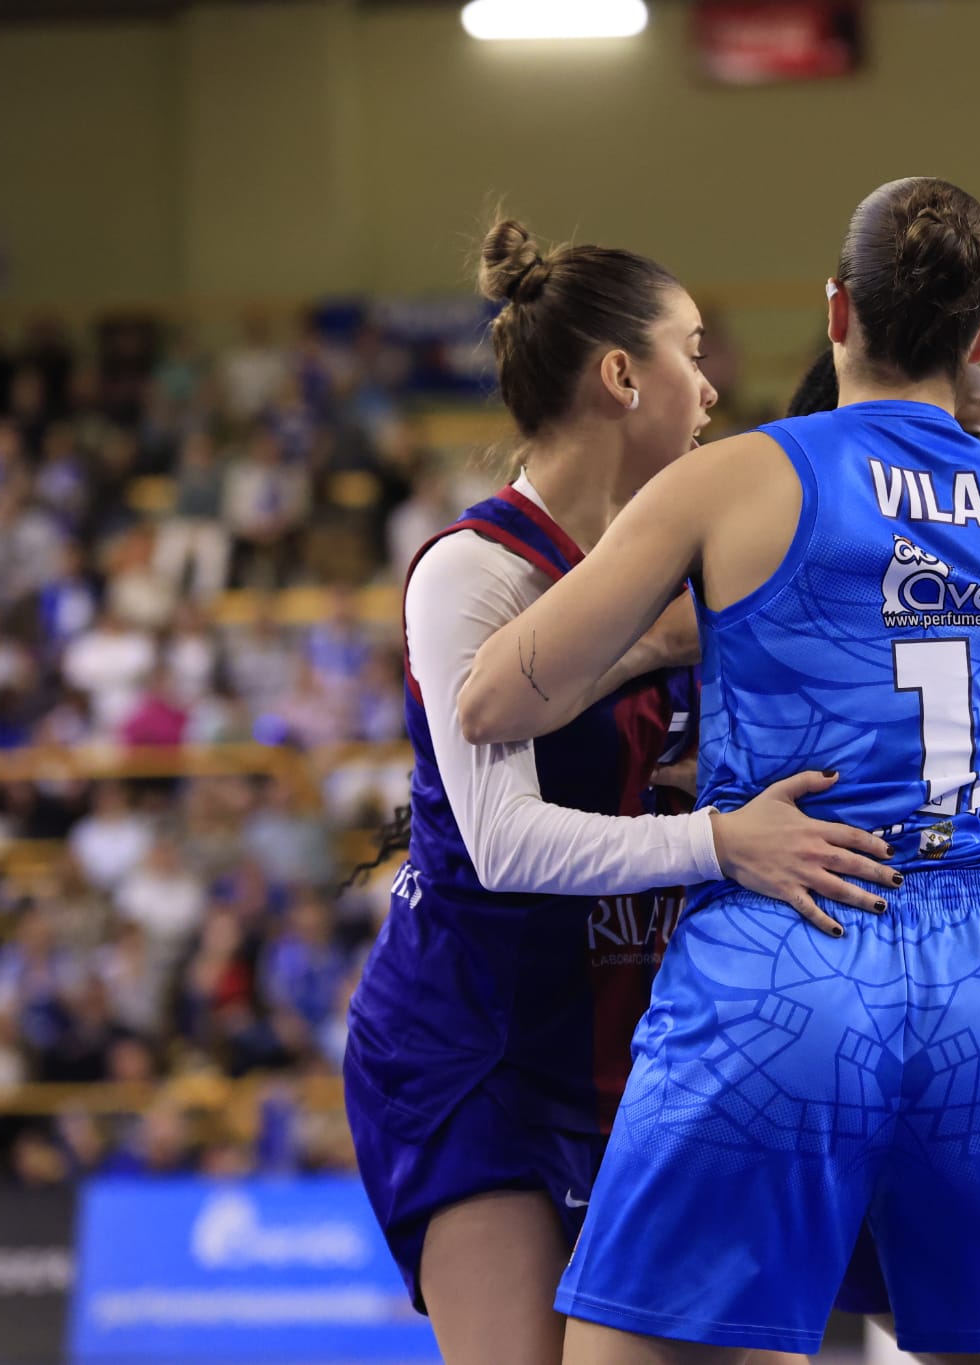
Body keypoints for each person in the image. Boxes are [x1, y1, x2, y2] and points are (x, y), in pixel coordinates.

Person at [460, 178, 980, 1364]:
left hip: (785, 962)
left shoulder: (734, 479)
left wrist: (675, 625)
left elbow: (493, 696)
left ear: (834, 310)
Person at [342, 219, 904, 1365]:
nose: (708, 387)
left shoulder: (700, 553)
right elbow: (499, 844)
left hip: (648, 1034)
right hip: (478, 1046)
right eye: (690, 353)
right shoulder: (472, 570)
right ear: (618, 375)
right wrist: (717, 837)